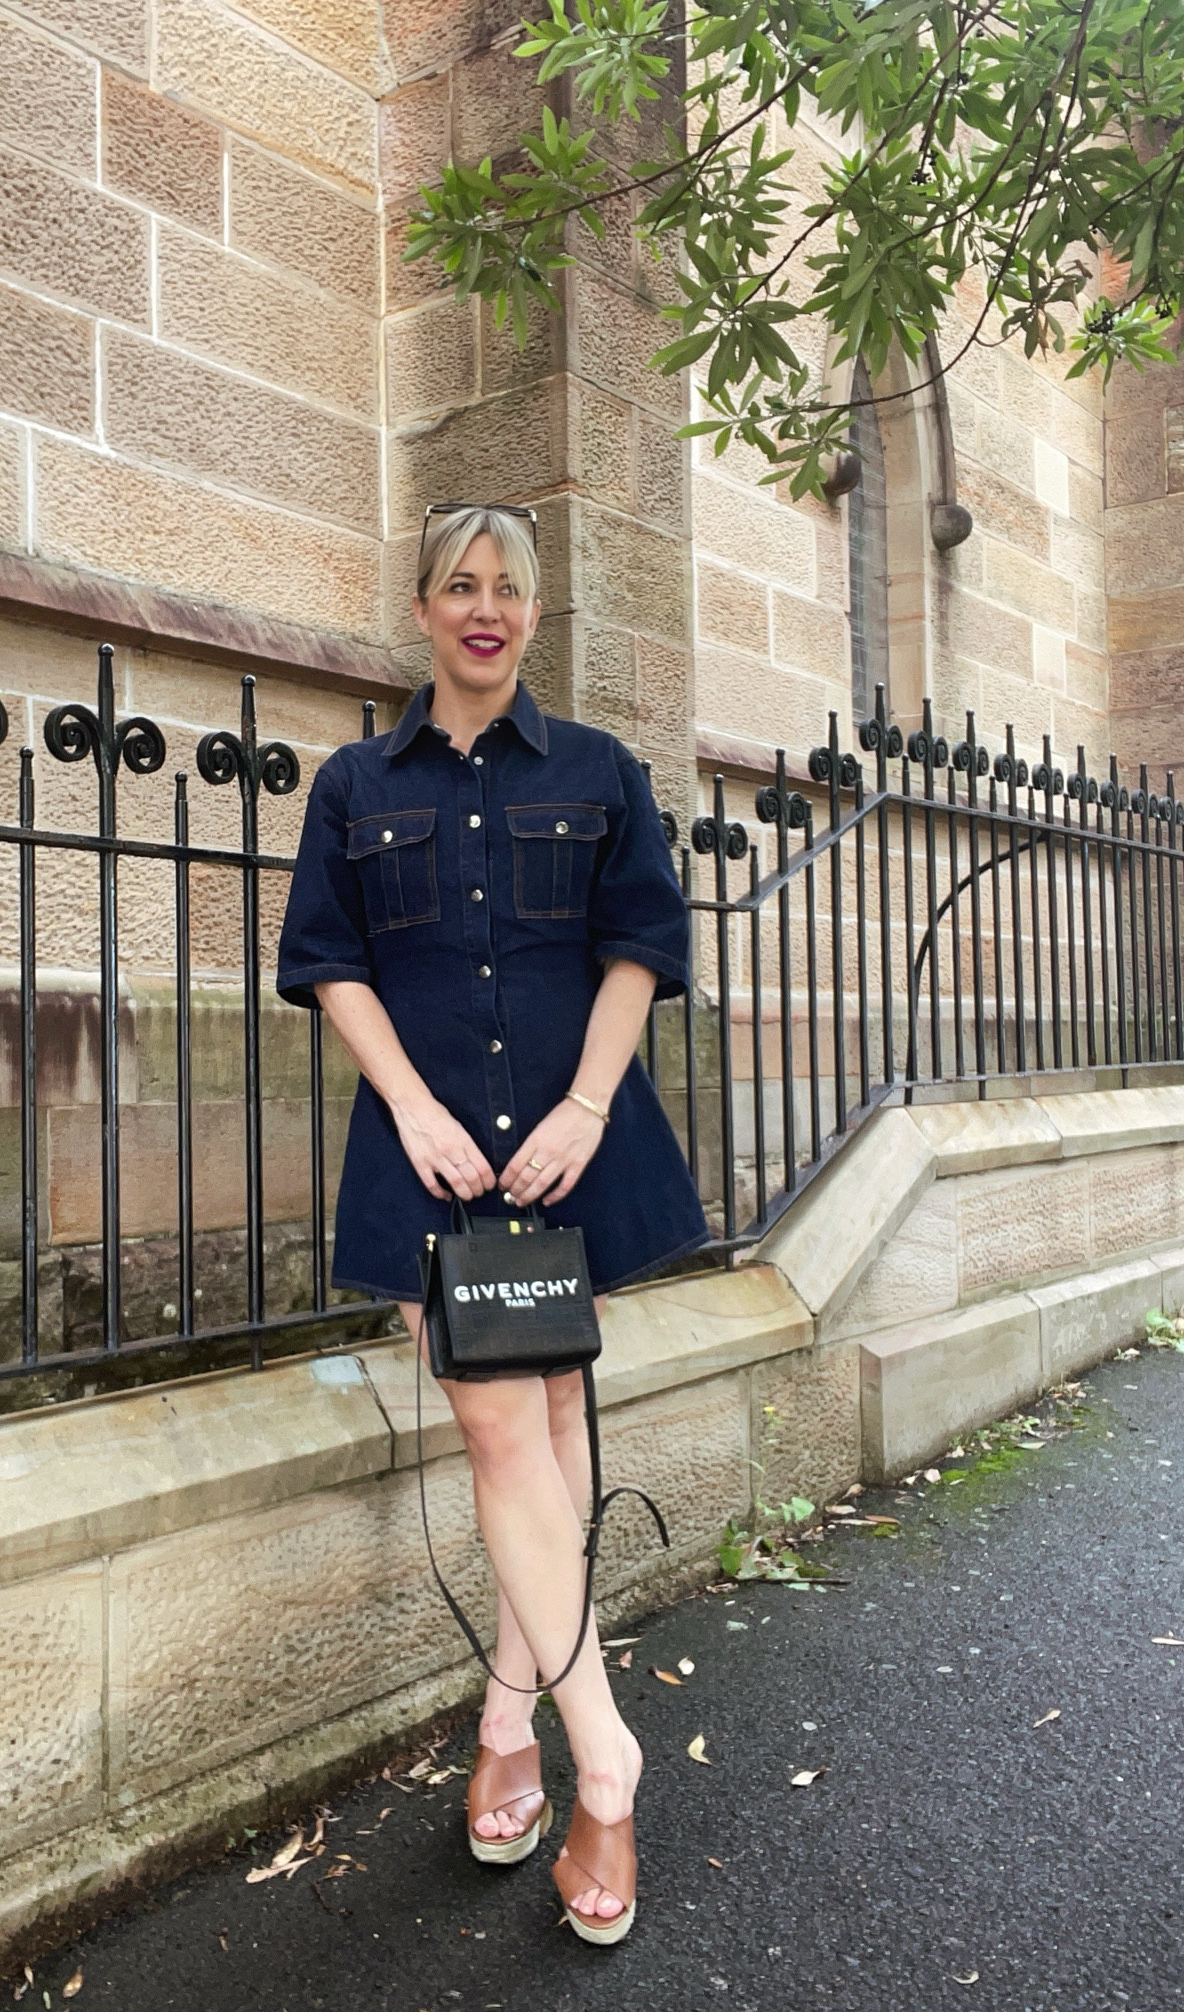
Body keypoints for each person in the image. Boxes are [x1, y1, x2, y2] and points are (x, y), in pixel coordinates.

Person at [275, 503, 707, 1945]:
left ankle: (508, 1723)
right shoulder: (353, 782)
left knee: (560, 1421)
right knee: (502, 1429)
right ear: (420, 607)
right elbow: (331, 963)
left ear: (535, 612)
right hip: (429, 1158)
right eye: (459, 585)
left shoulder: (599, 772)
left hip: (573, 1151)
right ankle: (612, 1759)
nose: (485, 608)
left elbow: (643, 945)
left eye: (508, 588)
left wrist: (588, 1106)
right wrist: (406, 1106)